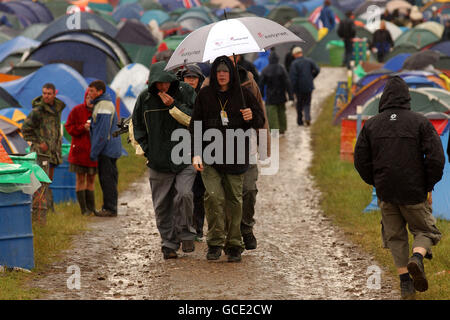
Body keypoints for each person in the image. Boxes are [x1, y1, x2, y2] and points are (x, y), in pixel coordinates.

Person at [354, 76, 445, 300]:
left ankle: (405, 284)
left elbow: (360, 160)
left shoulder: (372, 124)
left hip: (386, 191)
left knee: (395, 237)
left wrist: (376, 181)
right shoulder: (420, 122)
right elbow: (436, 159)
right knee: (426, 231)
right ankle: (417, 258)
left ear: (384, 98)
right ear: (407, 97)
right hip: (414, 191)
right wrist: (428, 185)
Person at [189, 55, 265, 262]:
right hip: (210, 156)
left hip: (237, 157)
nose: (222, 75)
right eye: (218, 71)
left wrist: (251, 116)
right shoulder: (204, 95)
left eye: (226, 71)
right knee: (213, 198)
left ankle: (234, 245)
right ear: (213, 74)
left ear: (231, 74)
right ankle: (214, 243)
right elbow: (195, 125)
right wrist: (196, 153)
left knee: (234, 201)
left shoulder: (244, 94)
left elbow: (260, 120)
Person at [132, 61, 197, 260]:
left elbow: (196, 120)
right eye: (159, 84)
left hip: (185, 157)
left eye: (166, 83)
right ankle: (168, 244)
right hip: (158, 161)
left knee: (184, 195)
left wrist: (173, 105)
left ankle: (185, 234)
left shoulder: (185, 92)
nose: (163, 87)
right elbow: (137, 128)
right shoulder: (144, 98)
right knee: (162, 205)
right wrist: (148, 152)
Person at [22, 83, 66, 223]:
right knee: (40, 183)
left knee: (48, 182)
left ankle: (49, 210)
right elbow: (25, 130)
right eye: (44, 93)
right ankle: (38, 217)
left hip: (53, 152)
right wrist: (39, 142)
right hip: (40, 153)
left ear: (54, 94)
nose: (46, 96)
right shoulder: (37, 111)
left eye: (49, 93)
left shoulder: (57, 109)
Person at [179, 64, 206, 240]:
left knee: (199, 191)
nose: (191, 81)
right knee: (183, 191)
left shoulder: (204, 98)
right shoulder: (177, 98)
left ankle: (198, 227)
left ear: (199, 80)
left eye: (194, 78)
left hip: (202, 148)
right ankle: (184, 226)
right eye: (188, 78)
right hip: (181, 148)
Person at [88, 80, 122, 218]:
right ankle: (109, 206)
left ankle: (110, 208)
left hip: (107, 149)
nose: (89, 93)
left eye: (91, 91)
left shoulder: (103, 105)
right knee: (110, 178)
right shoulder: (103, 104)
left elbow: (102, 132)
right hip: (111, 148)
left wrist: (94, 151)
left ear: (99, 92)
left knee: (107, 179)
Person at [65, 90, 98, 216]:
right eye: (88, 97)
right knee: (80, 179)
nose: (90, 100)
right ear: (85, 98)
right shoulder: (77, 110)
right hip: (79, 152)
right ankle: (84, 210)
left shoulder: (98, 111)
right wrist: (81, 128)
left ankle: (92, 209)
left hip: (93, 152)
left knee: (91, 179)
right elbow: (69, 127)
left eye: (92, 97)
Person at [259, 50, 294, 135]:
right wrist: (290, 95)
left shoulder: (265, 70)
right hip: (281, 95)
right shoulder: (282, 68)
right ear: (278, 59)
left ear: (269, 59)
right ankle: (282, 130)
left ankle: (275, 133)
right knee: (282, 112)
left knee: (272, 115)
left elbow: (261, 84)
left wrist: (261, 96)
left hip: (270, 97)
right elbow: (287, 82)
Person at [289, 46, 320, 126]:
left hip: (299, 88)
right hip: (308, 86)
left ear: (295, 54)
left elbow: (293, 78)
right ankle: (307, 117)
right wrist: (312, 77)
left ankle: (300, 121)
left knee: (299, 104)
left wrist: (293, 90)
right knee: (307, 103)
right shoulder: (309, 61)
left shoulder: (294, 64)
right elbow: (317, 69)